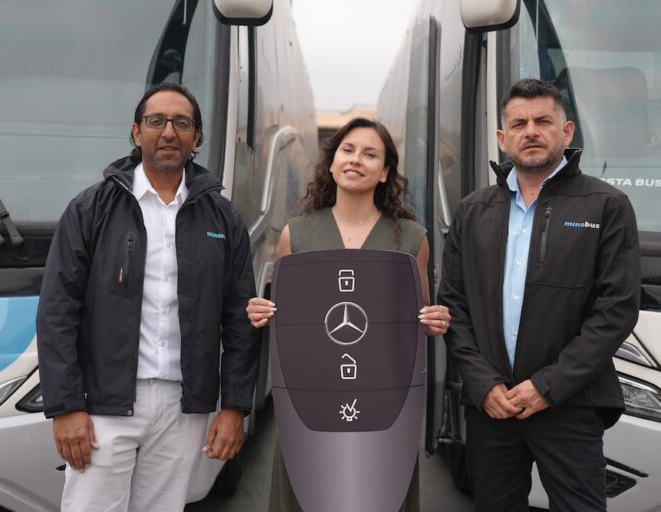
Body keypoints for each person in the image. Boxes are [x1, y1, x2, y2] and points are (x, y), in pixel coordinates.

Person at [36, 83, 260, 511]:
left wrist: (234, 406)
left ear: (197, 137)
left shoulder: (223, 218)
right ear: (136, 132)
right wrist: (65, 407)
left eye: (182, 123)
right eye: (157, 121)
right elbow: (57, 312)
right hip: (104, 402)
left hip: (184, 406)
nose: (169, 132)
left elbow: (240, 318)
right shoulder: (91, 209)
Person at [438, 78, 640, 511]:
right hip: (491, 408)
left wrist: (547, 386)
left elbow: (617, 311)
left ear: (566, 132)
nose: (530, 131)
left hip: (570, 404)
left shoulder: (606, 205)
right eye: (519, 123)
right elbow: (453, 305)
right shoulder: (473, 211)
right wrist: (482, 383)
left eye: (543, 121)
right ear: (502, 138)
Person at [246, 117, 451, 512]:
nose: (356, 159)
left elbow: (418, 321)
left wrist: (435, 321)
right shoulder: (296, 233)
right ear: (332, 161)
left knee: (380, 493)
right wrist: (263, 311)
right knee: (308, 490)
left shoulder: (412, 238)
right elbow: (292, 320)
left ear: (385, 172)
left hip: (383, 398)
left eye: (370, 154)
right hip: (312, 395)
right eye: (348, 150)